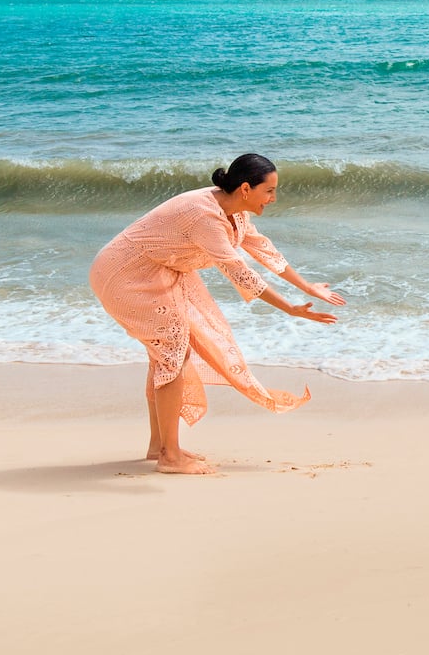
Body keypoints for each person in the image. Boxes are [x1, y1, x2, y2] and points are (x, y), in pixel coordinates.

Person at [89, 153, 344, 475]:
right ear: (246, 189)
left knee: (166, 356)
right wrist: (290, 309)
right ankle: (170, 456)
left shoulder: (234, 211)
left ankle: (160, 446)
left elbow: (261, 247)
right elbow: (240, 272)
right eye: (269, 191)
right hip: (127, 274)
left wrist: (306, 287)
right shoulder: (204, 216)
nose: (273, 198)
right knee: (173, 355)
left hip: (159, 270)